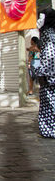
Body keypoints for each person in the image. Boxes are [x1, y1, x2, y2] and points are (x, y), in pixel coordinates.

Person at [35, 8, 55, 138]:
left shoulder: (48, 34)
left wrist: (40, 72)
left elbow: (49, 56)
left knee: (50, 104)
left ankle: (50, 130)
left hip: (49, 78)